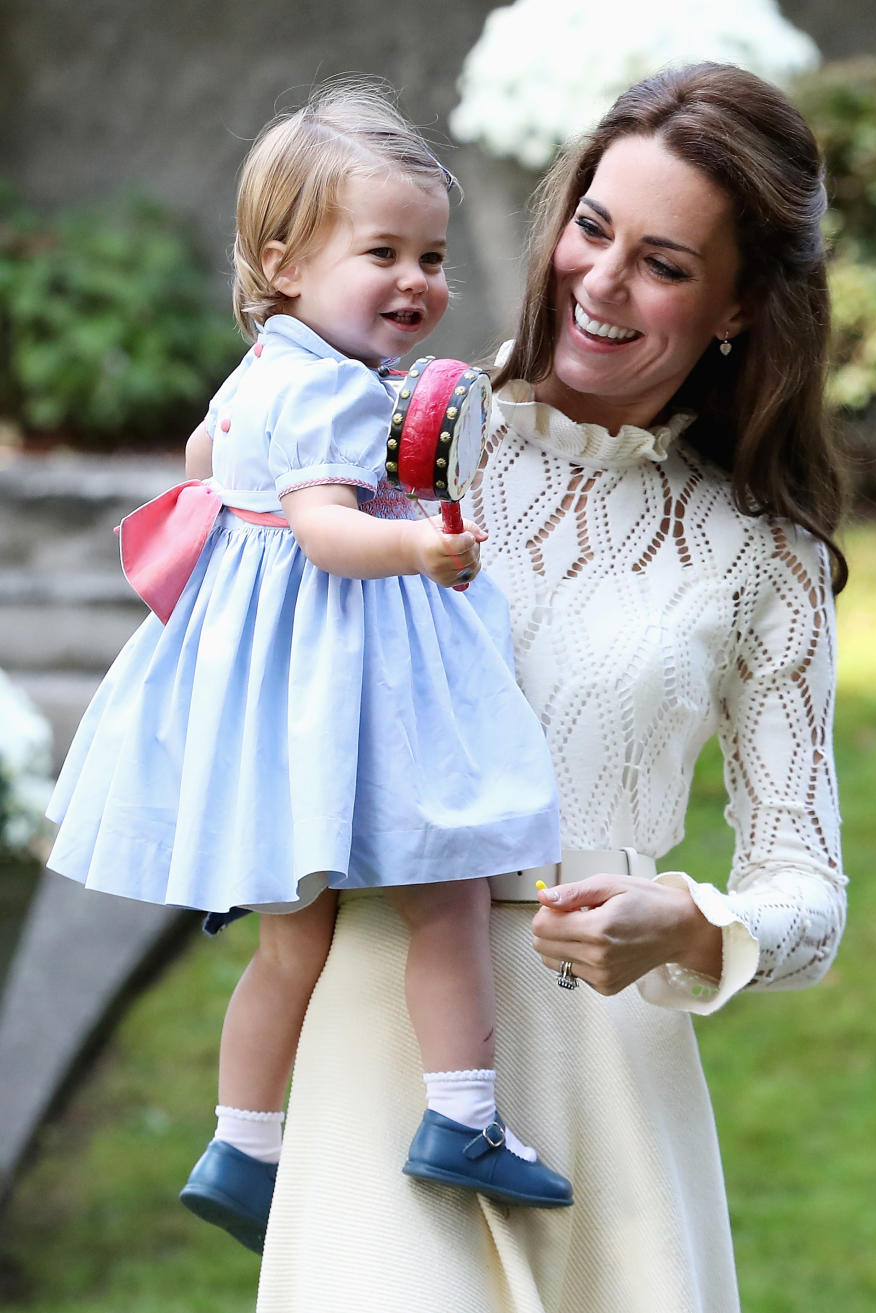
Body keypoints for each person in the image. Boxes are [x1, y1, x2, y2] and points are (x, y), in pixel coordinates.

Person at [256, 62, 849, 1313]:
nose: (601, 281)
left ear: (741, 304)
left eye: (665, 263)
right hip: (377, 1043)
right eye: (592, 226)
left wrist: (689, 922)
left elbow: (809, 889)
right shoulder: (377, 431)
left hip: (607, 1085)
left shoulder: (764, 555)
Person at [44, 80, 573, 1256]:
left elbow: (198, 465)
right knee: (445, 883)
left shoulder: (262, 370)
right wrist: (420, 544)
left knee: (296, 939)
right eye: (381, 251)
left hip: (271, 695)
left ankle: (241, 1143)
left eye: (431, 255)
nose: (416, 281)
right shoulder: (337, 388)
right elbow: (331, 532)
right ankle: (463, 1115)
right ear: (281, 263)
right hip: (348, 664)